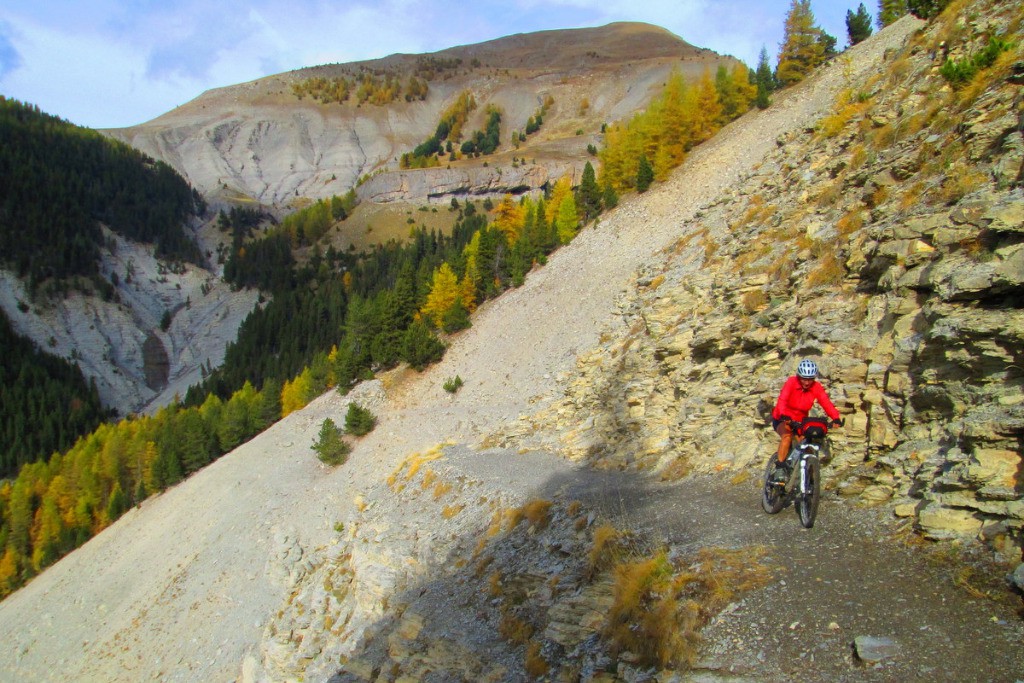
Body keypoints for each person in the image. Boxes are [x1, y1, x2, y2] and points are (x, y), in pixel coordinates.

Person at [770, 359, 841, 480]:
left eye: (810, 379)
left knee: (806, 445)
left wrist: (836, 418)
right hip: (783, 418)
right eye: (804, 379)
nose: (807, 382)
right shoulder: (791, 382)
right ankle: (780, 468)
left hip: (800, 422)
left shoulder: (816, 387)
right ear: (799, 376)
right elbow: (782, 399)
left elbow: (826, 402)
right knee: (786, 437)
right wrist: (783, 414)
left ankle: (808, 479)